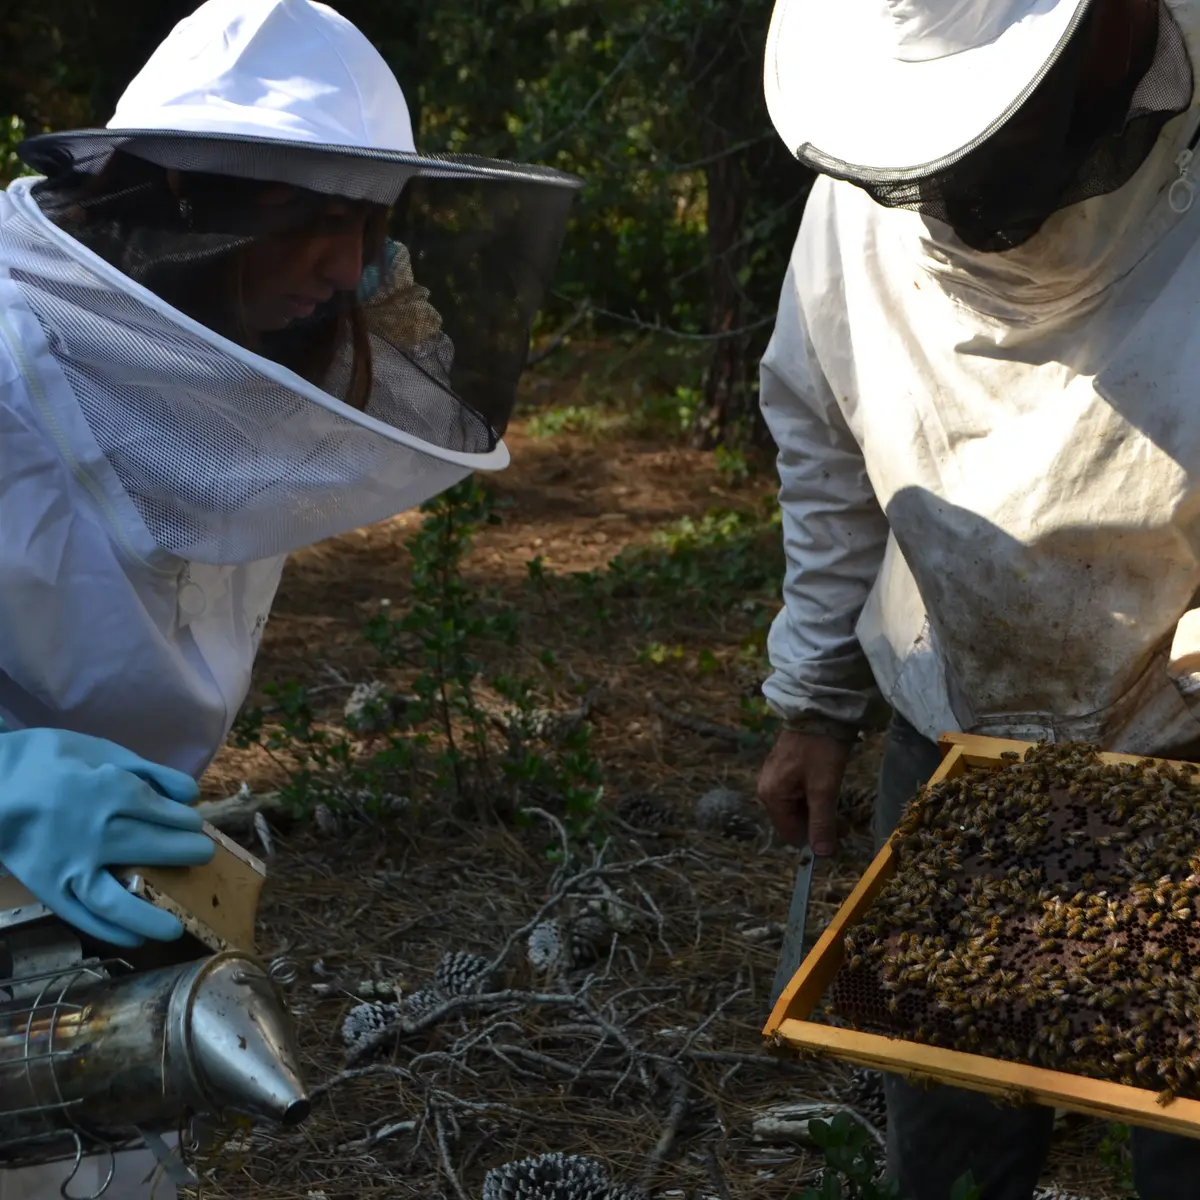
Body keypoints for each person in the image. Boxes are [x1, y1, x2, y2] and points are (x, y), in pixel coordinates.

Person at [0, 0, 578, 1196]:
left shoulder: (217, 367)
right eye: (317, 220)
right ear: (184, 203)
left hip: (90, 957)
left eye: (370, 226)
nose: (352, 268)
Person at [754, 0, 1200, 1196]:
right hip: (949, 736)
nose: (959, 188)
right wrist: (812, 701)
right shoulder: (866, 181)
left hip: (1192, 743)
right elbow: (827, 442)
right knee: (948, 1149)